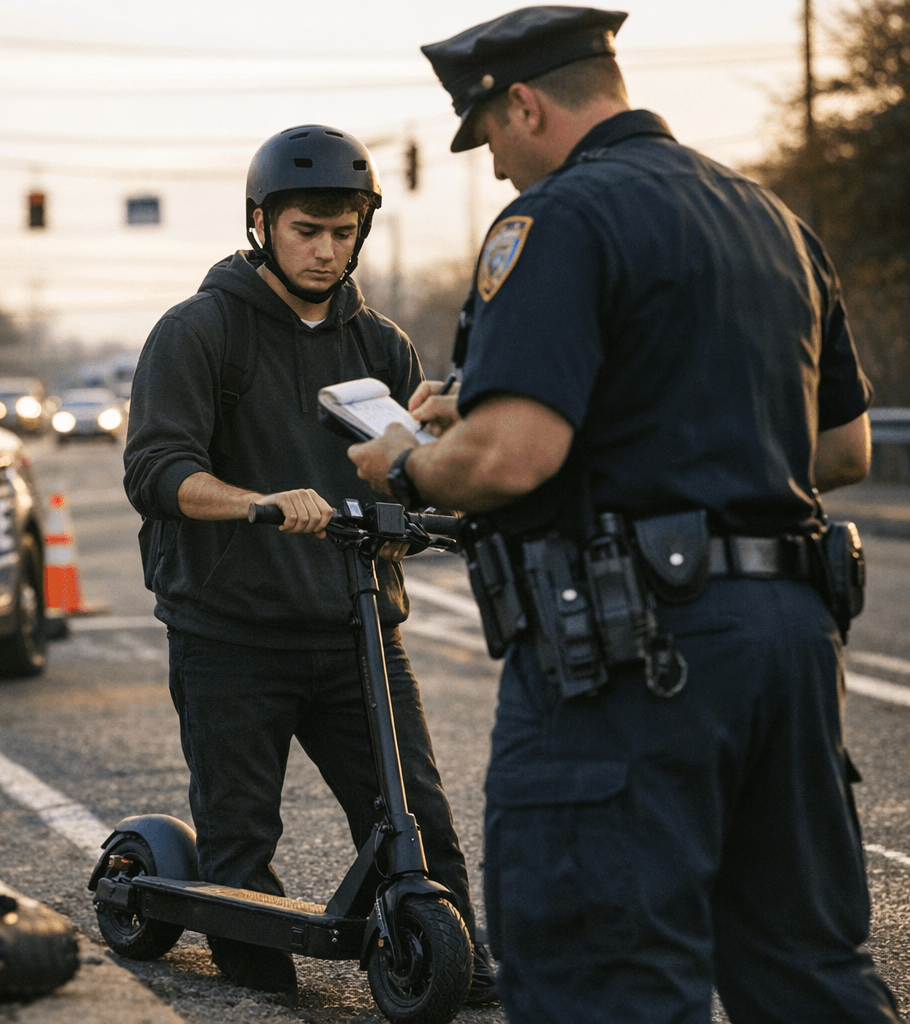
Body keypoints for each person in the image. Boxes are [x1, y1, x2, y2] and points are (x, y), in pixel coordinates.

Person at [348, 7, 901, 1022]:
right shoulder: (768, 217)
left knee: (605, 981)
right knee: (804, 971)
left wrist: (412, 463)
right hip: (788, 649)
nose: (502, 166)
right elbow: (841, 450)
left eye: (493, 138)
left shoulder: (558, 218)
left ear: (524, 102)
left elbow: (514, 455)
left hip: (632, 657)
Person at [124, 125, 494, 1002]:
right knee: (242, 837)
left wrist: (415, 516)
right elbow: (157, 471)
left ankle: (456, 954)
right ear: (262, 224)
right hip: (230, 632)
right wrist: (260, 502)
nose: (328, 251)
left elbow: (407, 469)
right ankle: (258, 981)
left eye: (343, 231)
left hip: (356, 624)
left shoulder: (381, 347)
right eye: (307, 231)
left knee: (420, 818)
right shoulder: (198, 332)